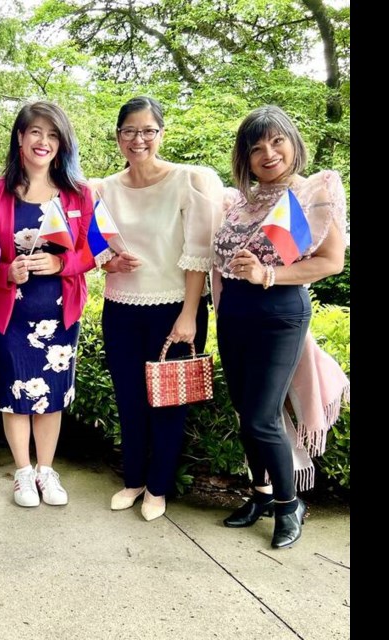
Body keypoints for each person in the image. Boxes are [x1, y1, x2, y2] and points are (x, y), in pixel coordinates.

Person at [213, 105, 346, 549]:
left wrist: (267, 275)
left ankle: (291, 505)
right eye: (255, 148)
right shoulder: (240, 202)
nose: (267, 153)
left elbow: (330, 262)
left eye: (276, 141)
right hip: (234, 310)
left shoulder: (313, 193)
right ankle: (261, 494)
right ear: (245, 159)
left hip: (281, 311)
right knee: (243, 411)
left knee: (261, 415)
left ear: (293, 143)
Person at [94, 96, 224, 521]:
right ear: (118, 136)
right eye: (130, 131)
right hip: (120, 307)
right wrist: (105, 263)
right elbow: (89, 245)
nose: (139, 139)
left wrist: (189, 314)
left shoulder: (189, 180)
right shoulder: (103, 189)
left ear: (160, 134)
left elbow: (198, 254)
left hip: (175, 308)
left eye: (148, 130)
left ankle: (158, 488)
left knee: (169, 401)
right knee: (129, 399)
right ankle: (133, 480)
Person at [0, 101, 96, 508]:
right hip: (8, 313)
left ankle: (47, 470)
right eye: (35, 133)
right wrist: (6, 272)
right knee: (13, 393)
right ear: (19, 138)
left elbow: (92, 252)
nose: (43, 141)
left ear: (62, 143)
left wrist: (62, 262)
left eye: (52, 134)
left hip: (59, 311)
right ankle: (23, 473)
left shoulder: (79, 194)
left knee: (52, 394)